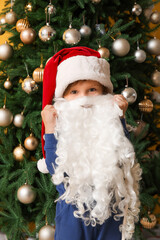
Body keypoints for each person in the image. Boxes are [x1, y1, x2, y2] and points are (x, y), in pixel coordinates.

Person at [37, 46, 141, 240]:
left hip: (111, 210)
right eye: (74, 92)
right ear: (63, 98)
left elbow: (124, 155)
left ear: (104, 92)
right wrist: (50, 128)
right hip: (72, 213)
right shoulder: (62, 127)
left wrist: (120, 117)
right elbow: (55, 167)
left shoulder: (109, 122)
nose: (83, 98)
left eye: (92, 90)